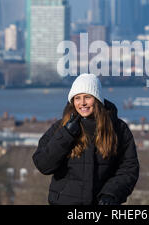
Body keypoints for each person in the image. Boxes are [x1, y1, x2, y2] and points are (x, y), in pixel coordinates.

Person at [32, 73, 139, 205]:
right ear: (73, 101)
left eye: (87, 97)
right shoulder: (60, 127)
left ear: (98, 99)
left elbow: (129, 169)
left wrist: (111, 194)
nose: (82, 103)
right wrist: (66, 134)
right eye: (77, 98)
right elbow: (43, 164)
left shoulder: (118, 129)